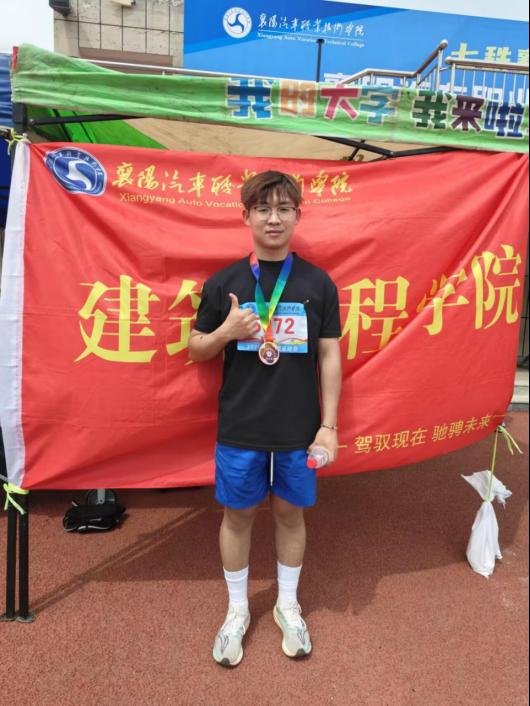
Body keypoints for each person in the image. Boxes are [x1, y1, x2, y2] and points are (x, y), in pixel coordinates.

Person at [188, 170, 342, 667]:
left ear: (297, 215)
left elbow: (330, 357)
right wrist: (227, 331)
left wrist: (329, 427)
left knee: (290, 514)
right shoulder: (225, 283)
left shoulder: (318, 283)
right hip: (242, 426)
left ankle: (286, 604)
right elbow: (195, 349)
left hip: (299, 429)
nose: (273, 218)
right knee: (237, 516)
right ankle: (237, 611)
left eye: (283, 209)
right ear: (246, 216)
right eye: (263, 209)